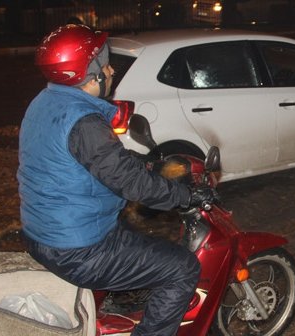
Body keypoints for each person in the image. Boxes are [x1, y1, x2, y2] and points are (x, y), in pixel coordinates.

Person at [17, 24, 214, 336]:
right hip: (77, 248)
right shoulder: (85, 123)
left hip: (42, 232)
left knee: (133, 232)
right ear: (90, 74)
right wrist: (185, 196)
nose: (110, 71)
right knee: (182, 268)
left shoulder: (45, 102)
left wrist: (146, 165)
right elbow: (130, 183)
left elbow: (86, 162)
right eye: (104, 65)